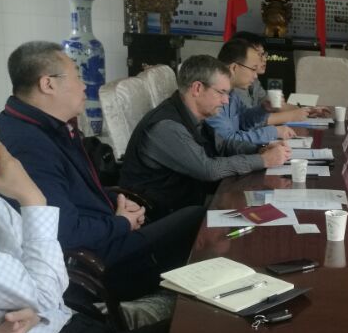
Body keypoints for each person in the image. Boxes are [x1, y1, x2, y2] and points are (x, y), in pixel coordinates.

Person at [0, 110, 168, 333]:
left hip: (66, 323)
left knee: (219, 324)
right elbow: (44, 290)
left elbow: (42, 277)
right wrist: (33, 199)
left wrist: (37, 304)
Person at [0, 41, 203, 301]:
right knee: (198, 219)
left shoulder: (48, 125)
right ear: (48, 84)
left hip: (106, 229)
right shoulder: (28, 145)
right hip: (96, 264)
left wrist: (117, 203)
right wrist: (121, 223)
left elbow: (75, 188)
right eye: (77, 76)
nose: (84, 86)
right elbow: (64, 233)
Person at [119, 54, 291, 217]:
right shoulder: (166, 126)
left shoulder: (194, 115)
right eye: (221, 92)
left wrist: (260, 149)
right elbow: (208, 169)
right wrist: (264, 160)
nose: (226, 101)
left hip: (189, 200)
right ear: (197, 88)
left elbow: (223, 145)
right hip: (160, 215)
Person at [208, 39, 326, 144]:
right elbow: (227, 142)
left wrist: (263, 109)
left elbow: (244, 121)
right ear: (234, 68)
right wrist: (273, 132)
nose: (255, 76)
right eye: (253, 68)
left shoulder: (232, 94)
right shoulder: (213, 96)